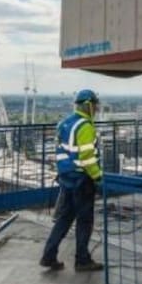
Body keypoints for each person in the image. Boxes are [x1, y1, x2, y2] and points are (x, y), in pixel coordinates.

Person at [40, 89, 104, 273]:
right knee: (84, 221)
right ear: (89, 105)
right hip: (82, 180)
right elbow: (87, 157)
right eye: (95, 105)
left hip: (66, 178)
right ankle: (82, 260)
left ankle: (48, 255)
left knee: (64, 219)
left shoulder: (64, 123)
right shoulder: (85, 126)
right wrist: (98, 176)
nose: (97, 109)